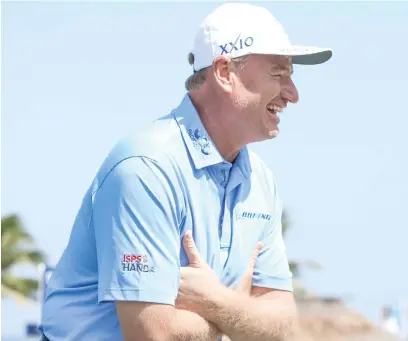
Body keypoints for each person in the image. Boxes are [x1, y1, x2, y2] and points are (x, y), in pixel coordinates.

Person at [39, 3, 332, 341]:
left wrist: (215, 301)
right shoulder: (146, 167)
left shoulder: (261, 180)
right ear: (225, 73)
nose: (292, 94)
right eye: (279, 73)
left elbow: (281, 326)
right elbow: (154, 334)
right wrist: (239, 317)